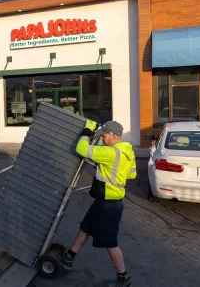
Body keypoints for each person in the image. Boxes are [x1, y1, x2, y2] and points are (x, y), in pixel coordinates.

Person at [61, 120, 137, 287]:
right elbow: (131, 175)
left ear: (114, 136)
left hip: (109, 204)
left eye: (103, 135)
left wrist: (87, 131)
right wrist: (110, 170)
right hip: (105, 201)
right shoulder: (127, 152)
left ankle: (123, 278)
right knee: (86, 227)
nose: (101, 138)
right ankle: (69, 256)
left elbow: (81, 149)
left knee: (110, 242)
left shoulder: (110, 153)